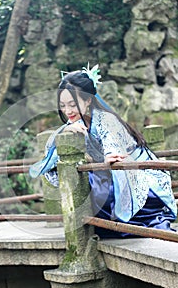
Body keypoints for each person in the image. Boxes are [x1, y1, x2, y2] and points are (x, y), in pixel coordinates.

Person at [30, 64, 177, 238]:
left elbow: (112, 144)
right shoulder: (73, 125)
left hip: (142, 178)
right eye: (63, 105)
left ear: (88, 100)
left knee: (94, 183)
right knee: (89, 181)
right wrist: (65, 134)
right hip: (112, 176)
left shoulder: (106, 119)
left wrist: (108, 157)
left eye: (72, 104)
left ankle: (121, 224)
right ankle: (104, 226)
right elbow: (51, 157)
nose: (68, 111)